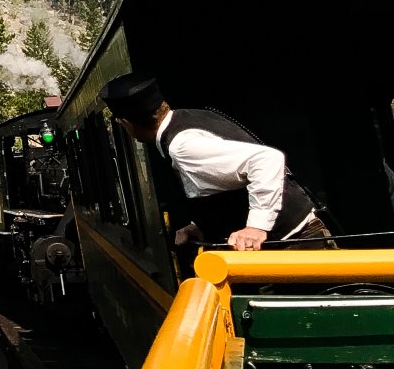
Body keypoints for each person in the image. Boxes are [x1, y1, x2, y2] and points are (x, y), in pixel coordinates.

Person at [101, 73, 330, 251]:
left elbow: (267, 159)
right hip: (290, 243)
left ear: (127, 124)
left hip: (294, 246)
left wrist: (256, 227)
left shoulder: (183, 146)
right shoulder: (190, 118)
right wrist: (202, 225)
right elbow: (223, 183)